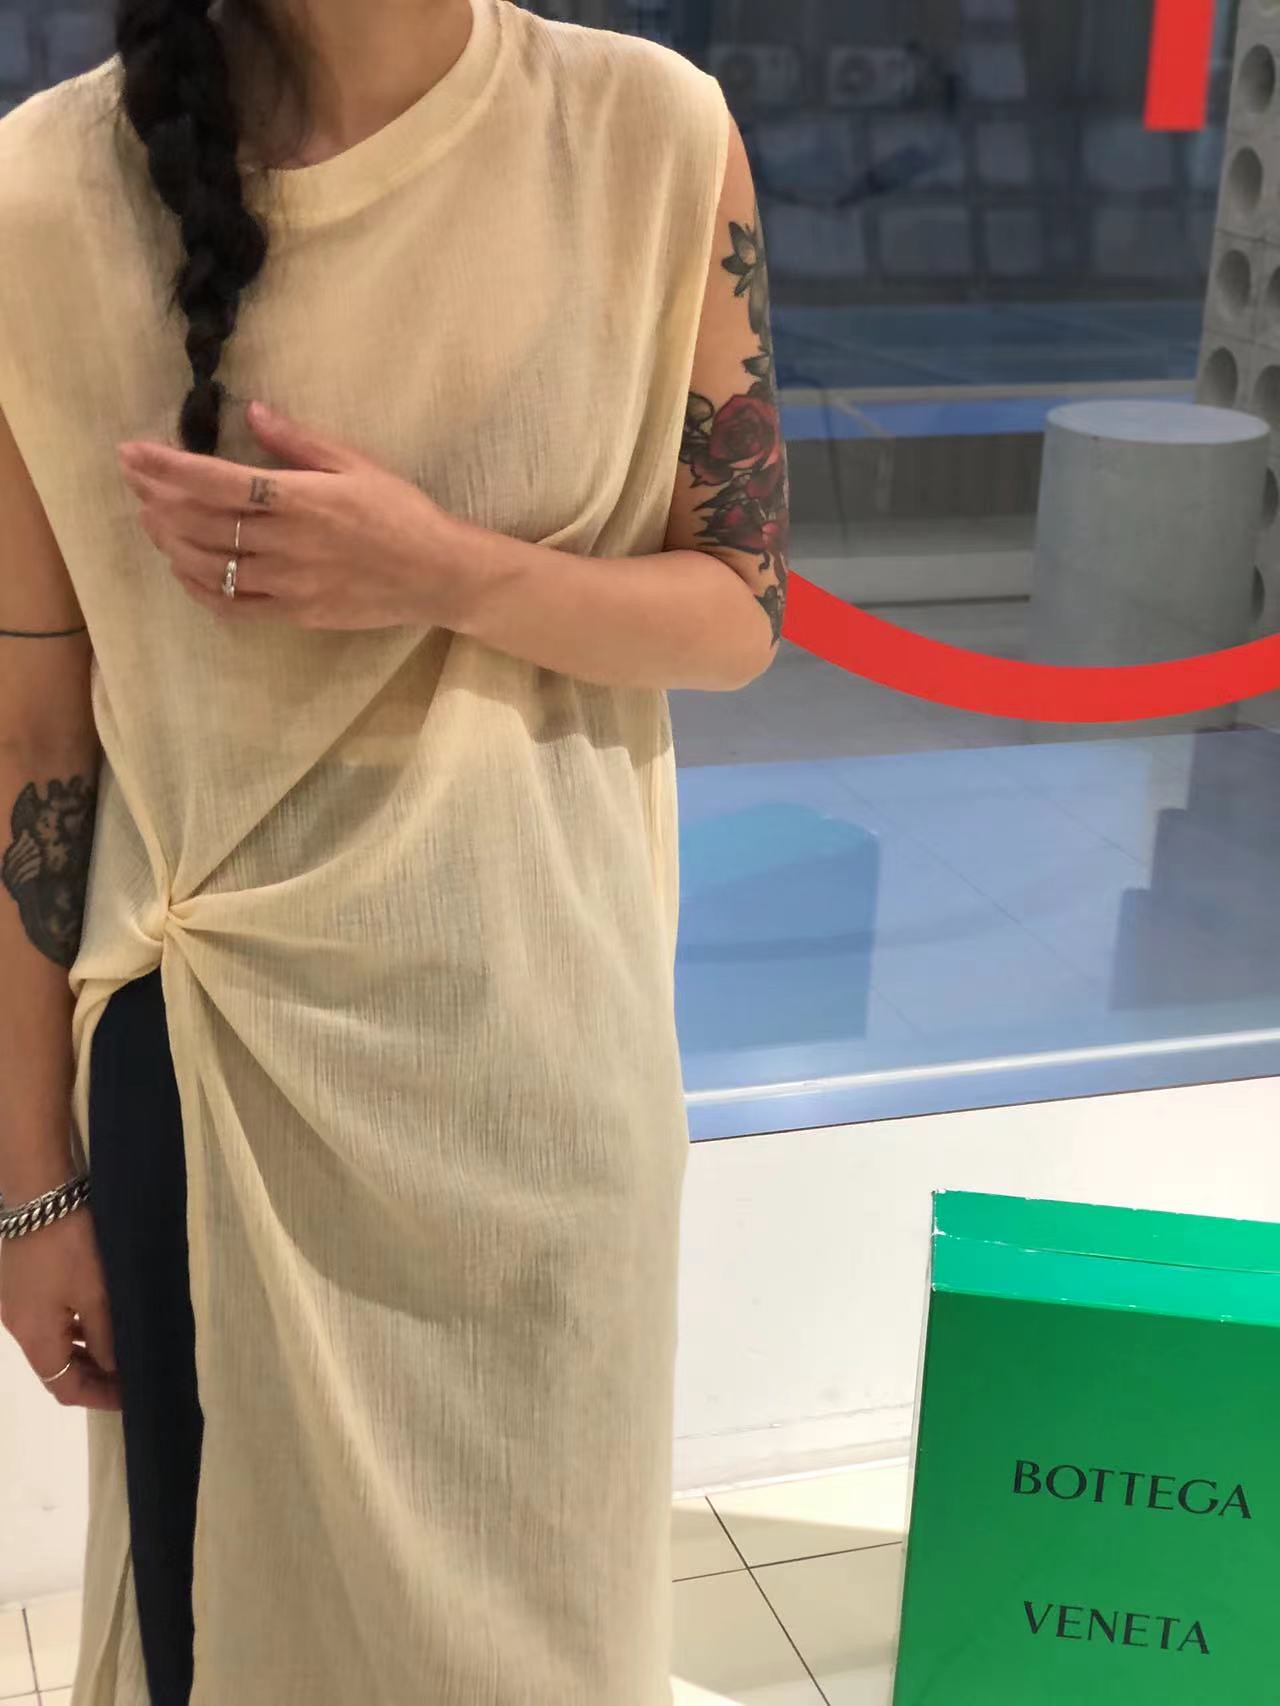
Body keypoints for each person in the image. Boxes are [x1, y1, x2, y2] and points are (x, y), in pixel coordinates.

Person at [0, 0, 790, 1701]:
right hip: (211, 1086)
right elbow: (32, 737)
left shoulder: (650, 138)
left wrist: (440, 569)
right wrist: (28, 1182)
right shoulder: (40, 198)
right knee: (234, 1646)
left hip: (542, 1087)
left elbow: (739, 608)